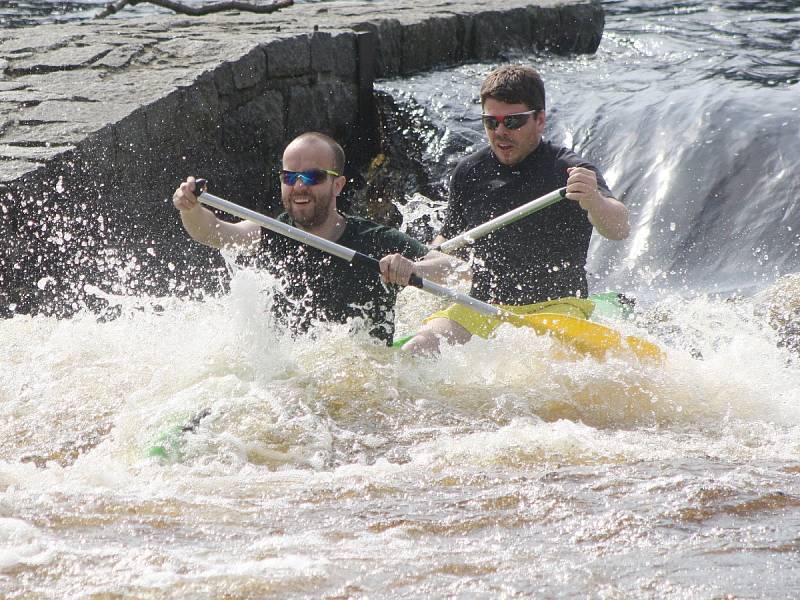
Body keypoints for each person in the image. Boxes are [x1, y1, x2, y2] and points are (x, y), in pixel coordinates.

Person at [380, 64, 630, 354]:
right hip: (483, 306)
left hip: (558, 307)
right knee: (417, 349)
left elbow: (620, 228)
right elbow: (450, 255)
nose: (500, 132)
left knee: (535, 371)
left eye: (512, 122)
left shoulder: (570, 169)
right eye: (491, 122)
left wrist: (594, 201)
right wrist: (414, 268)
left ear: (539, 120)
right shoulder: (469, 172)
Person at [173, 132, 459, 345]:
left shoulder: (375, 239)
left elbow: (455, 268)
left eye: (312, 177)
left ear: (338, 184)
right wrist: (190, 207)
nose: (299, 186)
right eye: (290, 177)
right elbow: (213, 232)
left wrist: (413, 269)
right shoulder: (271, 231)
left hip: (366, 380)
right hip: (293, 378)